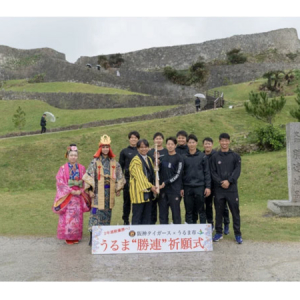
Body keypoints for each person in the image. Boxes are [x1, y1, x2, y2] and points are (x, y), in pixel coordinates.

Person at [83, 134, 125, 246]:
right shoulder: (94, 162)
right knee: (95, 214)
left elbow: (120, 176)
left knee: (107, 213)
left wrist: (118, 188)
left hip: (109, 192)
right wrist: (90, 190)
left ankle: (103, 237)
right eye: (103, 147)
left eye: (107, 147)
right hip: (97, 192)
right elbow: (88, 176)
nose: (105, 149)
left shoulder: (114, 163)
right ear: (100, 148)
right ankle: (92, 237)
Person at [52, 144, 91, 245]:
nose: (73, 157)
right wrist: (70, 190)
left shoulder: (82, 168)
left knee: (77, 217)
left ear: (77, 156)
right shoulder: (63, 169)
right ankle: (68, 237)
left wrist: (81, 190)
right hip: (68, 197)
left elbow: (86, 181)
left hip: (78, 196)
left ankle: (76, 236)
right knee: (68, 216)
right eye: (71, 155)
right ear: (67, 156)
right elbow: (60, 182)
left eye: (75, 155)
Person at [210, 133, 242, 244]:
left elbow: (237, 171)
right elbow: (213, 172)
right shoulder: (214, 157)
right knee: (218, 212)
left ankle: (237, 234)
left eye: (226, 141)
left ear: (229, 141)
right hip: (219, 190)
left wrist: (229, 181)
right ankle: (219, 232)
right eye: (222, 141)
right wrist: (220, 182)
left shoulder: (235, 156)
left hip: (232, 189)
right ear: (219, 141)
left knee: (235, 212)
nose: (224, 143)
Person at [181, 134, 211, 224]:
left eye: (193, 142)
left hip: (199, 186)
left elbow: (207, 172)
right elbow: (181, 173)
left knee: (201, 209)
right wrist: (181, 187)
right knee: (189, 210)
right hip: (187, 187)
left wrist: (208, 187)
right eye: (189, 142)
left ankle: (202, 231)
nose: (191, 144)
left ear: (196, 143)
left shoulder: (202, 156)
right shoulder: (183, 157)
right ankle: (190, 231)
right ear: (187, 144)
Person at [203, 137, 230, 233]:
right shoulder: (202, 156)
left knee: (222, 206)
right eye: (206, 144)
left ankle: (226, 223)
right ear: (203, 145)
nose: (207, 145)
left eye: (209, 144)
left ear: (212, 144)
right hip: (207, 185)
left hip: (218, 184)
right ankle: (210, 223)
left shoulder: (217, 155)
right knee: (208, 205)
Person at [129, 139, 158, 225]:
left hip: (148, 193)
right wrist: (151, 186)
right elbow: (140, 176)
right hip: (138, 193)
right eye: (141, 147)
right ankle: (135, 237)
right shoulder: (135, 160)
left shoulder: (148, 158)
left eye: (145, 147)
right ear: (137, 149)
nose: (144, 149)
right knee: (137, 217)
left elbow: (153, 173)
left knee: (147, 217)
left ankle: (144, 237)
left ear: (148, 148)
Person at [158, 137, 184, 224]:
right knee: (163, 214)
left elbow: (178, 174)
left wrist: (166, 182)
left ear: (175, 145)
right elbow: (158, 172)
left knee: (176, 214)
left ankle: (177, 234)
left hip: (174, 190)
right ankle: (164, 234)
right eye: (168, 144)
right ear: (166, 145)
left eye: (172, 144)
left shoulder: (179, 158)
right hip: (163, 190)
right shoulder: (162, 158)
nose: (170, 146)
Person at [119, 131, 140, 225]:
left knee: (138, 201)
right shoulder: (124, 151)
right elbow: (120, 168)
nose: (133, 139)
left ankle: (136, 220)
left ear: (138, 139)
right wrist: (121, 181)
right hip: (128, 180)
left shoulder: (141, 151)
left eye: (135, 137)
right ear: (129, 139)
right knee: (127, 201)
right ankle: (126, 220)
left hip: (139, 181)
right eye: (132, 137)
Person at [147, 132, 168, 224]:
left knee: (163, 205)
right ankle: (152, 223)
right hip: (152, 181)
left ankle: (164, 224)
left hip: (163, 181)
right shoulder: (150, 152)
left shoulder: (167, 151)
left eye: (160, 138)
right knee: (152, 205)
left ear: (163, 140)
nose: (158, 140)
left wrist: (160, 162)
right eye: (156, 138)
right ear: (154, 140)